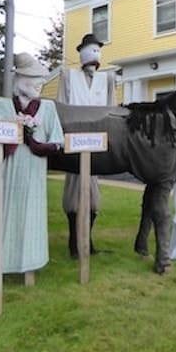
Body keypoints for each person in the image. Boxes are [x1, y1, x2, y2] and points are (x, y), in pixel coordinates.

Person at [0, 52, 64, 279]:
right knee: (4, 215)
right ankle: (0, 265)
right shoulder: (0, 105)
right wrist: (12, 134)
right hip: (6, 174)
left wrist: (36, 142)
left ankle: (30, 264)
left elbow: (57, 141)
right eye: (33, 78)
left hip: (33, 174)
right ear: (19, 79)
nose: (39, 84)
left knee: (31, 217)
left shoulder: (47, 109)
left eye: (41, 79)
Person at [57, 33, 116, 257]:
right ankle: (75, 242)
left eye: (97, 51)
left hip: (96, 141)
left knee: (93, 192)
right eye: (90, 51)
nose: (94, 57)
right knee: (74, 190)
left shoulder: (106, 80)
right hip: (75, 138)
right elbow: (61, 106)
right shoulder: (69, 77)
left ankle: (87, 241)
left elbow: (111, 109)